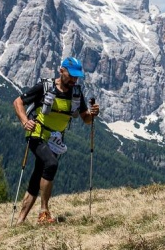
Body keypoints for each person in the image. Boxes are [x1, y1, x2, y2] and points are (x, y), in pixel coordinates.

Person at [13, 56, 100, 224]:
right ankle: (44, 212)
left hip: (56, 139)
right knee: (51, 164)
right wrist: (25, 121)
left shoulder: (76, 93)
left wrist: (93, 114)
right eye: (71, 75)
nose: (74, 79)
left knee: (38, 175)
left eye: (77, 76)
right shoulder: (45, 87)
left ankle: (20, 220)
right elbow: (18, 102)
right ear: (61, 71)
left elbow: (86, 119)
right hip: (37, 133)